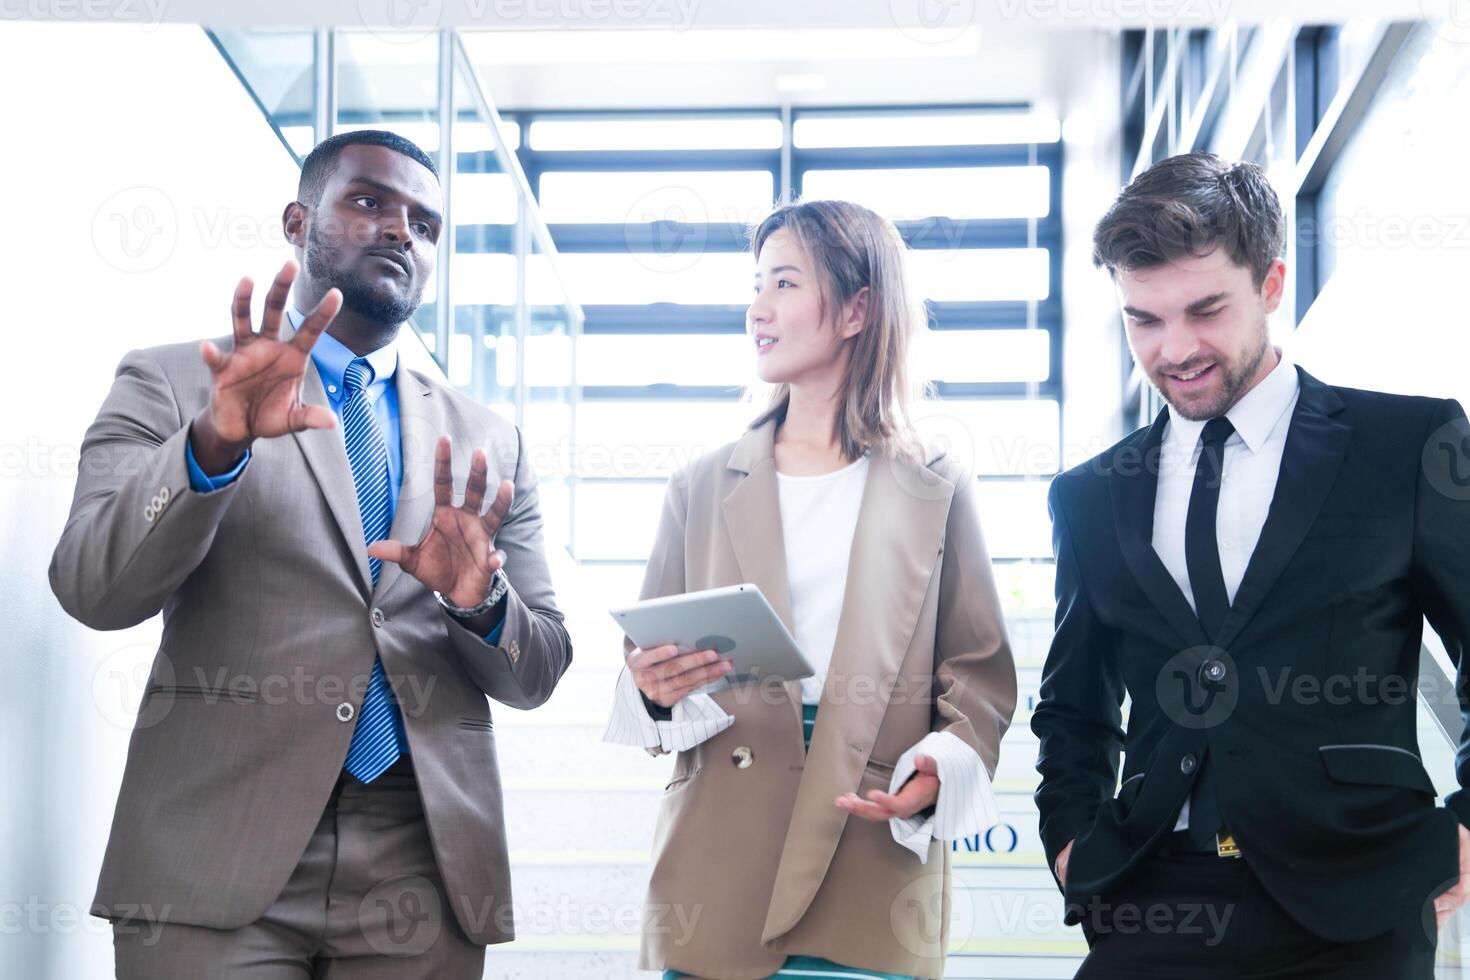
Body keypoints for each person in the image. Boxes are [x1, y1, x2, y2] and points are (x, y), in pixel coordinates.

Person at [49, 130, 572, 978]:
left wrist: (480, 605)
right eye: (370, 202)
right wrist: (211, 448)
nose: (402, 231)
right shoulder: (176, 383)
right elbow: (90, 586)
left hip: (423, 862)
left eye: (426, 224)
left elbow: (537, 669)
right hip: (214, 848)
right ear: (300, 220)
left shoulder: (489, 442)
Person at [1031, 151, 1470, 977]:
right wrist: (1069, 838)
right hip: (1151, 893)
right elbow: (1074, 706)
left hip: (1356, 895)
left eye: (1206, 310)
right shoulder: (1090, 496)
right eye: (1143, 320)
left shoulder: (1407, 444)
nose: (1175, 349)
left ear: (1271, 284)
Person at [603, 199, 1018, 979]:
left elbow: (980, 679)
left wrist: (938, 768)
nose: (758, 309)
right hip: (719, 856)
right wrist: (655, 689)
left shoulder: (934, 484)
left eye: (785, 284)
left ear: (859, 308)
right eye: (756, 285)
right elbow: (645, 666)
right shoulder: (699, 484)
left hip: (869, 847)